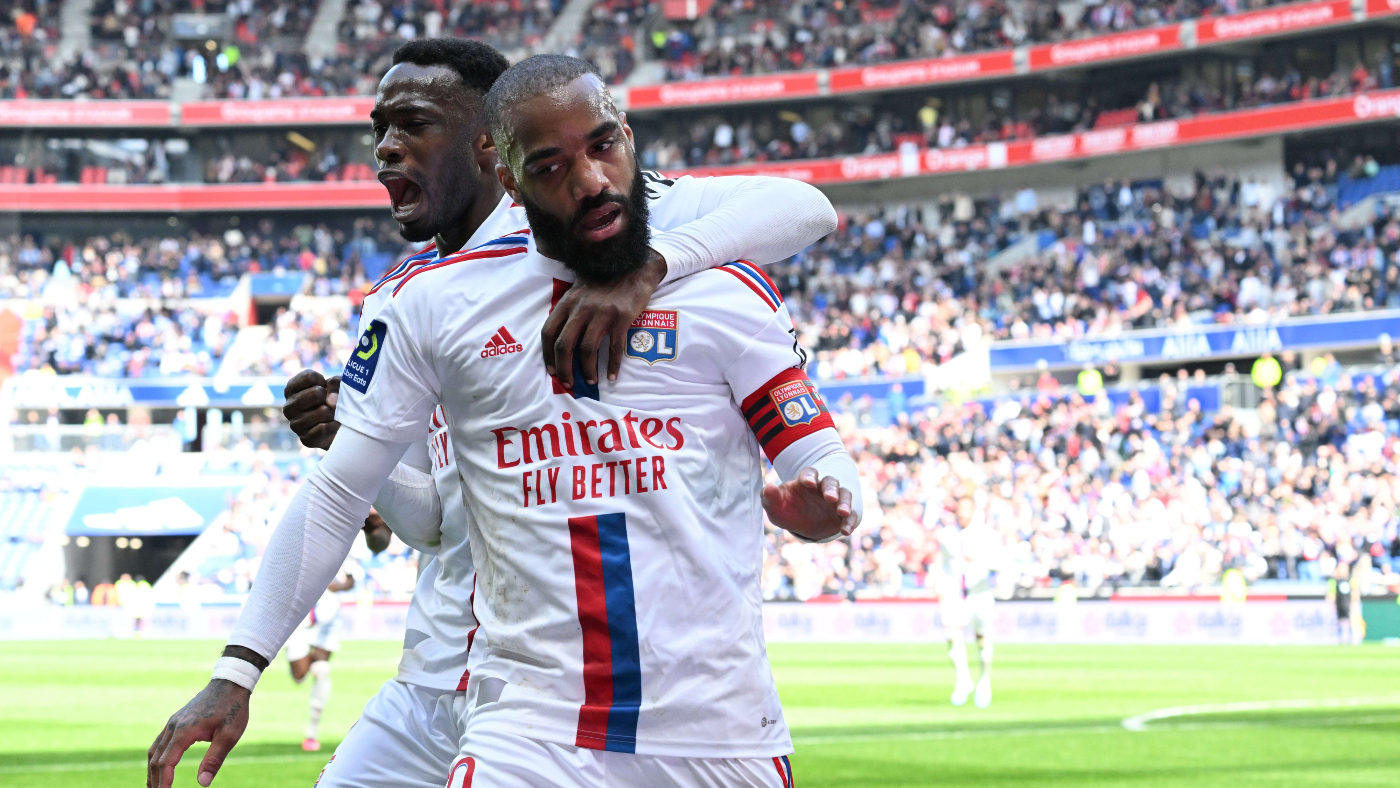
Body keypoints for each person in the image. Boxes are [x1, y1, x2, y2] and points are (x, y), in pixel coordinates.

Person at [149, 40, 842, 788]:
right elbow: (428, 521)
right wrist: (347, 443)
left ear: (488, 145)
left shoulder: (596, 208)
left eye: (414, 124)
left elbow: (806, 206)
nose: (387, 148)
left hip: (572, 687)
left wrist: (649, 268)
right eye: (381, 128)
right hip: (447, 675)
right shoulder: (410, 302)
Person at [283, 564, 358, 751]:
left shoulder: (343, 556)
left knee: (322, 669)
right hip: (300, 622)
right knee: (299, 677)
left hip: (326, 619)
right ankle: (300, 658)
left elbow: (350, 582)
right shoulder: (300, 552)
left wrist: (337, 586)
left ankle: (312, 734)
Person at [934, 499, 999, 708]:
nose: (962, 514)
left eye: (966, 510)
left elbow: (999, 563)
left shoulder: (987, 535)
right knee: (951, 634)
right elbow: (944, 564)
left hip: (980, 594)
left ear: (973, 511)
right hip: (956, 594)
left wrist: (979, 560)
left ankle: (984, 682)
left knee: (983, 641)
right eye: (959, 510)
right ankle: (963, 680)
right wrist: (940, 587)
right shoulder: (947, 535)